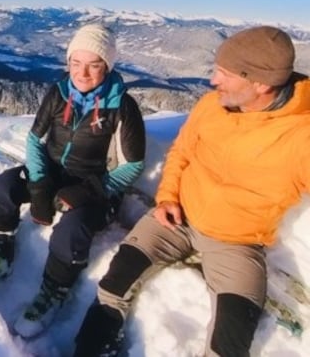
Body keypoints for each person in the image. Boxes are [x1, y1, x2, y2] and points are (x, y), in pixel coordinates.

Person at [73, 26, 310, 356]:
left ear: (260, 83)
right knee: (114, 284)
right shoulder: (212, 106)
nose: (213, 81)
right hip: (177, 217)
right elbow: (182, 151)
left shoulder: (301, 135)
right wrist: (168, 196)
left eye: (224, 74)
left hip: (237, 244)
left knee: (230, 340)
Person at [0, 23, 146, 338]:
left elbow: (133, 164)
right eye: (76, 63)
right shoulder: (59, 92)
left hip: (94, 185)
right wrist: (39, 185)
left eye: (93, 65)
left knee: (73, 229)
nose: (83, 72)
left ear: (107, 66)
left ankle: (54, 291)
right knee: (5, 187)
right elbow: (35, 141)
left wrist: (91, 189)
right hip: (52, 172)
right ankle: (0, 255)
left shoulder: (122, 107)